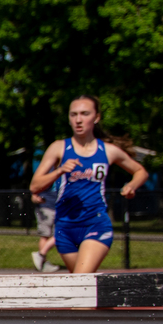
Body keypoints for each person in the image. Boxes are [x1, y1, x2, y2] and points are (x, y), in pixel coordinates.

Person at [30, 96, 146, 274]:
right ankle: (113, 301)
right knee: (82, 289)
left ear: (96, 117)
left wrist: (132, 185)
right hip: (65, 228)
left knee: (81, 281)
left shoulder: (107, 150)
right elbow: (35, 186)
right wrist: (59, 171)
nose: (78, 119)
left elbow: (140, 171)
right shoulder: (59, 148)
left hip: (95, 223)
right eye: (73, 114)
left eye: (85, 114)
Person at [30, 175, 62, 272]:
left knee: (55, 234)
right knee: (54, 234)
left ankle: (42, 259)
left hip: (58, 207)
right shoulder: (52, 173)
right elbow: (35, 187)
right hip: (47, 207)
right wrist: (35, 197)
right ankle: (41, 257)